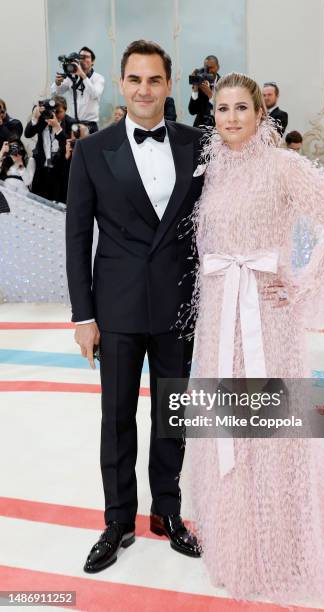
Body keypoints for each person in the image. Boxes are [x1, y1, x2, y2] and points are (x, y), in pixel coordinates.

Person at [187, 73, 324, 604]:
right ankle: (236, 546)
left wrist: (306, 284)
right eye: (221, 108)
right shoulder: (214, 171)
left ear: (261, 114)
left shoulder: (284, 166)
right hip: (221, 318)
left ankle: (284, 549)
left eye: (241, 107)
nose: (230, 118)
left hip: (269, 321)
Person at [66, 39, 204, 573]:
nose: (144, 89)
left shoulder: (198, 144)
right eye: (134, 79)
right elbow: (77, 238)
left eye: (154, 80)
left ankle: (167, 511)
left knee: (173, 415)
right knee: (117, 417)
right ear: (121, 85)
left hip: (177, 306)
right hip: (117, 309)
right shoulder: (94, 151)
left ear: (168, 85)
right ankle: (118, 517)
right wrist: (84, 316)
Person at [24, 96, 74, 202]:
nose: (55, 115)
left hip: (58, 171)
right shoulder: (44, 118)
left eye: (59, 112)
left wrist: (57, 128)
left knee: (55, 203)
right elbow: (28, 134)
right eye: (53, 111)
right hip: (41, 167)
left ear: (65, 110)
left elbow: (69, 145)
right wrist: (34, 118)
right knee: (36, 200)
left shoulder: (70, 123)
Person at [51, 46, 104, 133]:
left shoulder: (98, 78)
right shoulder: (71, 77)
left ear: (93, 61)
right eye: (81, 57)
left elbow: (95, 95)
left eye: (86, 57)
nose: (83, 59)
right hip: (72, 124)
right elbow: (56, 92)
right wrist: (57, 82)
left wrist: (82, 75)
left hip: (89, 125)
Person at [188, 55, 220, 128]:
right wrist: (195, 90)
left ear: (217, 67)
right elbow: (192, 111)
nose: (208, 71)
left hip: (218, 128)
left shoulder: (224, 84)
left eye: (211, 68)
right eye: (206, 68)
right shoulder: (201, 83)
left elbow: (224, 110)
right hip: (200, 128)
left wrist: (210, 95)